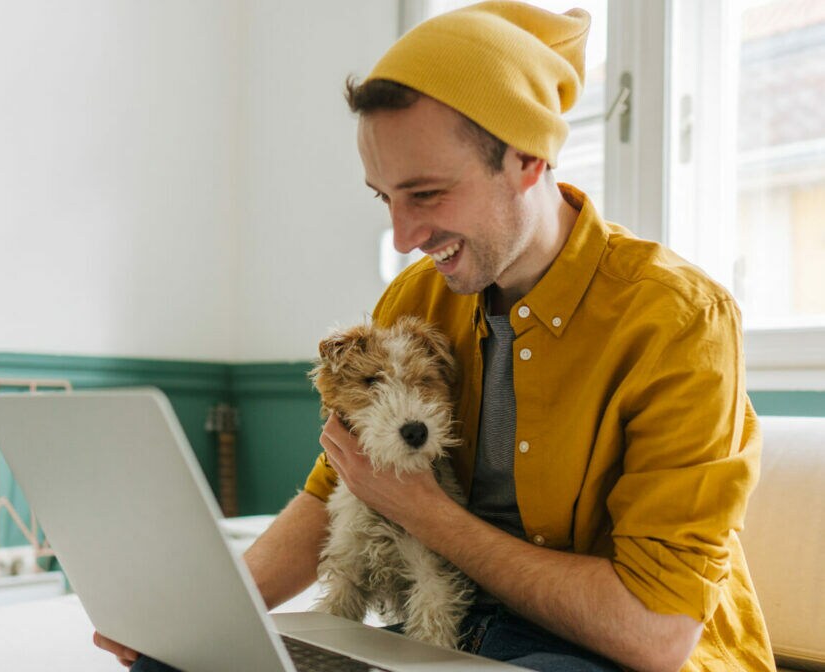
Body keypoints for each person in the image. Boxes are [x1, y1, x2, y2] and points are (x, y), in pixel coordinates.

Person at [97, 2, 777, 670]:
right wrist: (207, 616)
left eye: (425, 194)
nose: (402, 237)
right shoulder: (418, 298)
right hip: (445, 633)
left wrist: (429, 516)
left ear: (528, 160)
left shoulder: (680, 321)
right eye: (383, 197)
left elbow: (655, 635)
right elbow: (338, 488)